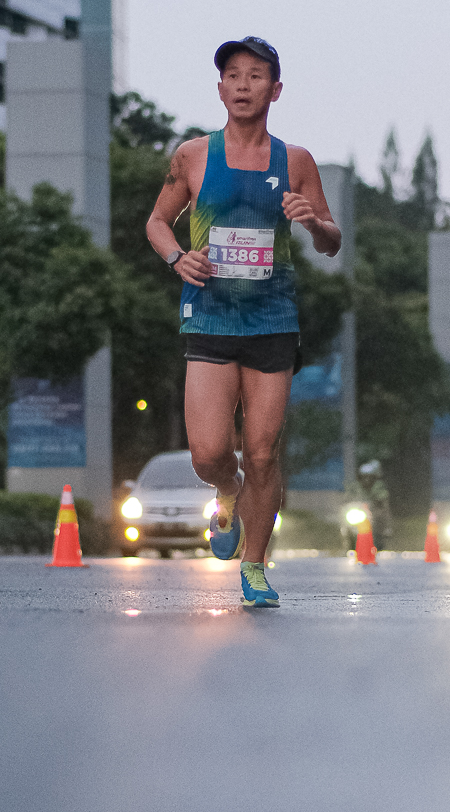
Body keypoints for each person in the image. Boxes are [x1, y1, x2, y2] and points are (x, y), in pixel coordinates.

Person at [146, 36, 341, 608]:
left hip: (272, 319)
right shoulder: (192, 156)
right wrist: (177, 258)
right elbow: (156, 222)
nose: (243, 85)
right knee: (210, 454)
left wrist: (313, 223)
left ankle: (254, 566)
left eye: (255, 76)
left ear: (275, 91)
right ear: (220, 89)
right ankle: (227, 491)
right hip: (209, 314)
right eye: (233, 75)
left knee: (262, 452)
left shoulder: (295, 161)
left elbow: (331, 242)